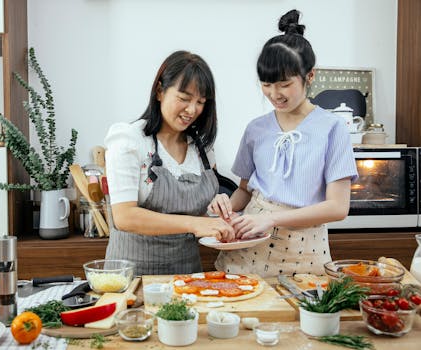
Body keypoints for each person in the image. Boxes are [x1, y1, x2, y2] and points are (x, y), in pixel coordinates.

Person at [208, 10, 358, 278]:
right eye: (266, 85)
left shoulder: (332, 129)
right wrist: (226, 209)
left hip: (305, 249)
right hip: (250, 247)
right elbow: (244, 191)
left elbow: (337, 207)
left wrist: (271, 219)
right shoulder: (256, 128)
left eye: (284, 84)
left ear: (310, 76)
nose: (274, 94)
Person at [104, 50, 235, 275]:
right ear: (159, 91)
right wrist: (194, 224)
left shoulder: (202, 149)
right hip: (132, 277)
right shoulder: (130, 140)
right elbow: (125, 216)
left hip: (187, 276)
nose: (192, 110)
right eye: (184, 98)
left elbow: (201, 215)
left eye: (200, 102)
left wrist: (217, 208)